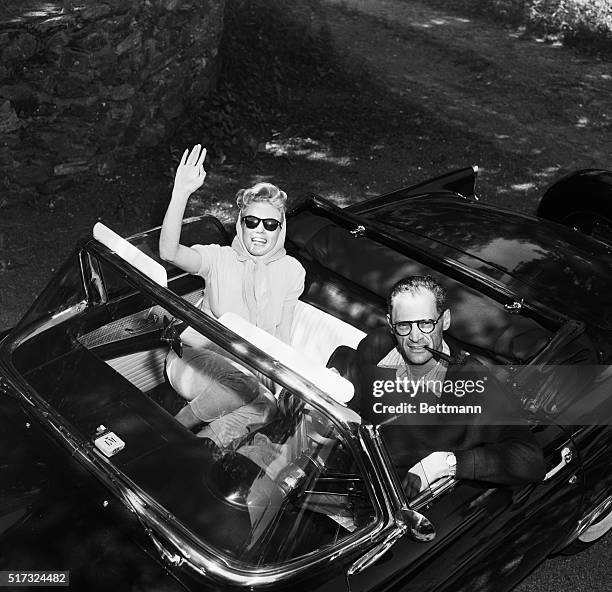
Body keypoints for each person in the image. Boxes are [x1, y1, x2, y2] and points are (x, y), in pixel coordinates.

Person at [159, 144, 306, 446]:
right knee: (244, 385)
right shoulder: (218, 258)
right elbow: (168, 252)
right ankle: (171, 433)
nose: (259, 231)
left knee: (266, 409)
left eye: (270, 224)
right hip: (192, 360)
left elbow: (282, 339)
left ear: (281, 229)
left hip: (244, 376)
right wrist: (181, 193)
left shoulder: (292, 271)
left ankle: (201, 448)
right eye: (251, 222)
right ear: (240, 223)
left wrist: (287, 387)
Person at [343, 275, 545, 489]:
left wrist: (445, 463)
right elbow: (355, 407)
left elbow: (530, 460)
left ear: (445, 320)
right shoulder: (377, 346)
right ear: (391, 325)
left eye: (426, 323)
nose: (415, 337)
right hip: (353, 480)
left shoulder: (473, 382)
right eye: (404, 325)